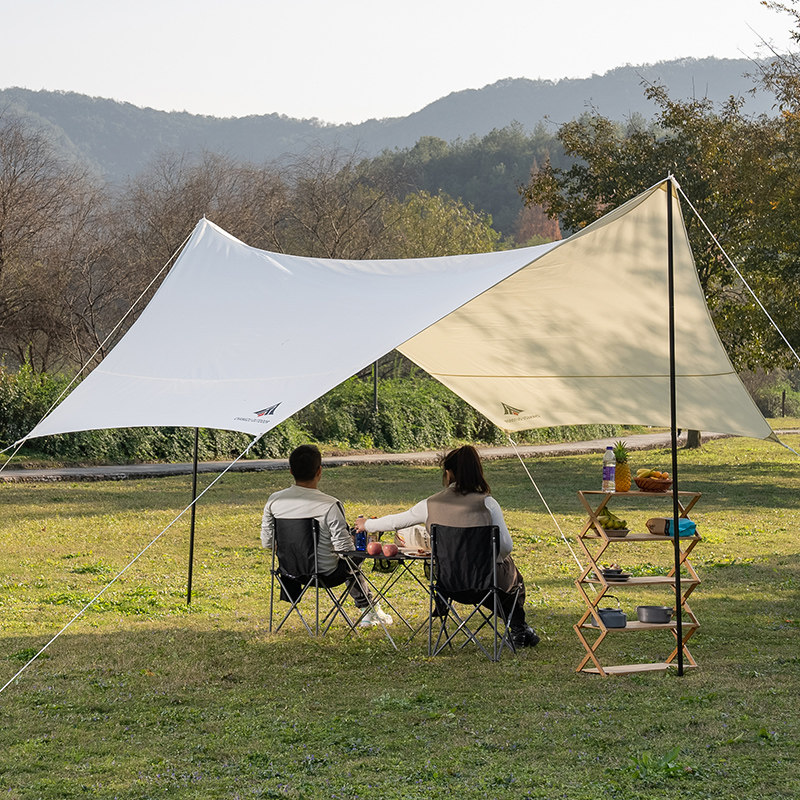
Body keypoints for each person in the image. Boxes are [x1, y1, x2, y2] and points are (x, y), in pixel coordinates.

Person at [355, 445, 539, 647]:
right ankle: (519, 628)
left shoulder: (430, 505)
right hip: (486, 582)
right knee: (511, 578)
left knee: (491, 579)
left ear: (449, 473)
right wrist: (494, 560)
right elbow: (506, 546)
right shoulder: (488, 504)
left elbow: (396, 521)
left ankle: (520, 629)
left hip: (449, 584)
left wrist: (367, 524)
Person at [261, 444, 391, 627]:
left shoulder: (274, 500)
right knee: (355, 552)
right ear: (319, 471)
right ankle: (369, 609)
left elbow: (267, 543)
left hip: (290, 572)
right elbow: (344, 550)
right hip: (327, 574)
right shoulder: (329, 504)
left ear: (290, 471)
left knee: (350, 555)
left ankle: (369, 609)